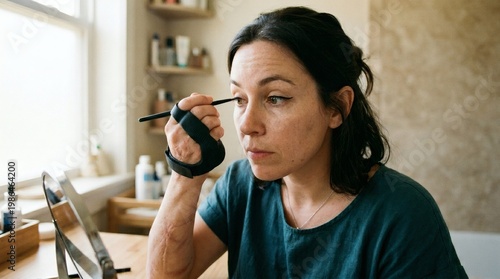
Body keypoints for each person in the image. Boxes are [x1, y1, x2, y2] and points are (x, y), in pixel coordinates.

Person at [147, 6, 468, 278]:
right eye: (239, 99)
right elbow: (168, 275)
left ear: (337, 108)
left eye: (275, 98)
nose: (246, 125)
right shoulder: (239, 186)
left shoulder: (403, 214)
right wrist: (186, 170)